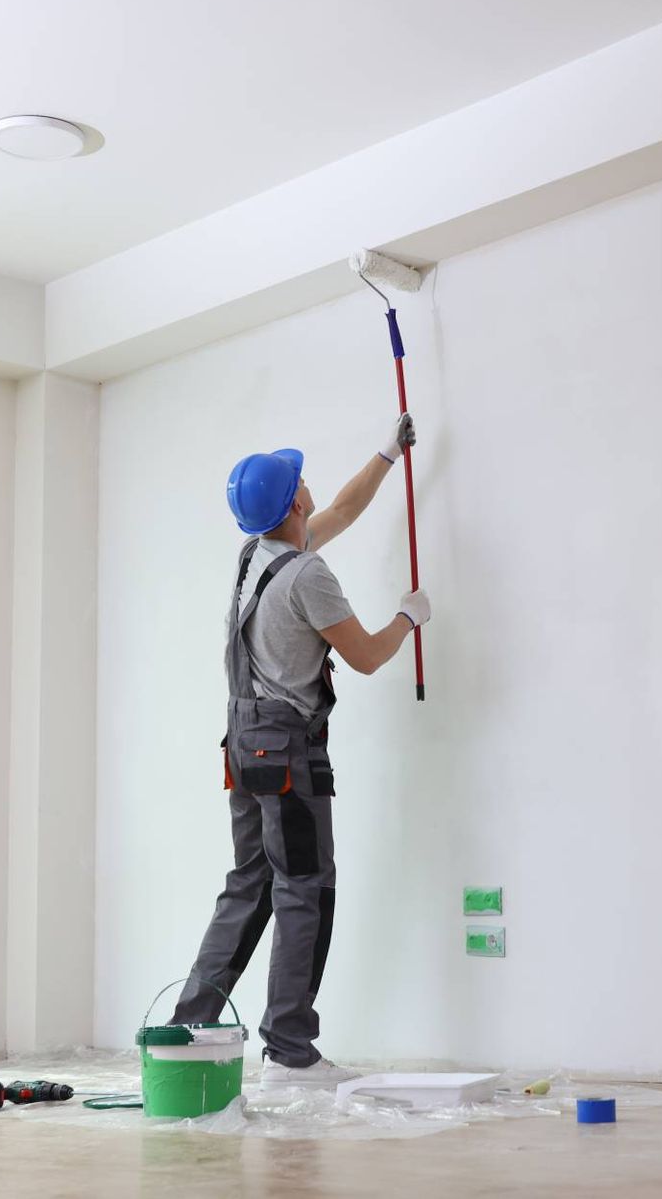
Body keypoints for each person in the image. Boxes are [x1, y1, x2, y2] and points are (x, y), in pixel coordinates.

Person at [168, 414, 430, 1087]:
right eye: (300, 480)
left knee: (249, 884)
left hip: (244, 746)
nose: (310, 484)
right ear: (292, 506)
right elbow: (367, 656)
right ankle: (290, 1048)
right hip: (289, 756)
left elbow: (343, 507)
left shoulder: (256, 555)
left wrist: (386, 453)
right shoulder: (307, 575)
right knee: (305, 889)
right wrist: (409, 616)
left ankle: (187, 1029)